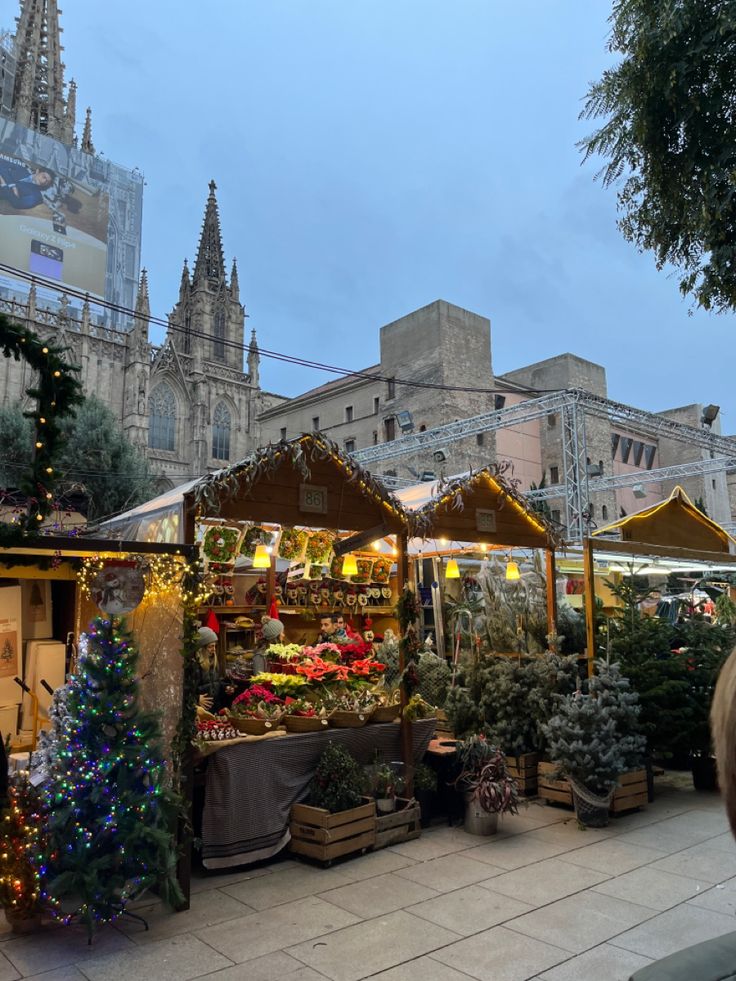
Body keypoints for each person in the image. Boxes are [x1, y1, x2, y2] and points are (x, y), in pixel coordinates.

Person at [195, 626, 231, 713]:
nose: (214, 649)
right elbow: (187, 690)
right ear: (202, 648)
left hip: (215, 708)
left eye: (214, 646)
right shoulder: (195, 665)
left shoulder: (213, 663)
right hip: (201, 711)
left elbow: (215, 683)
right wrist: (196, 698)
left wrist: (225, 687)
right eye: (210, 646)